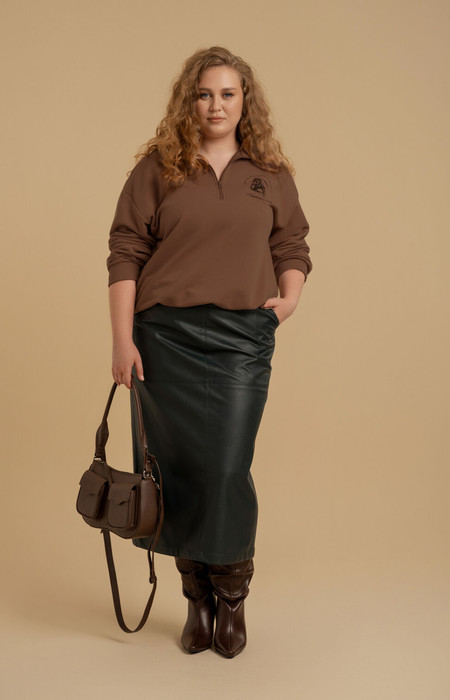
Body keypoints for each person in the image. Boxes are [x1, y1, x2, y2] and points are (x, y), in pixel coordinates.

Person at [106, 45, 312, 658]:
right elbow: (126, 250)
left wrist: (288, 300)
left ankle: (231, 594)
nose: (215, 105)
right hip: (163, 337)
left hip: (241, 338)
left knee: (225, 468)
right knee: (176, 468)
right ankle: (195, 598)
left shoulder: (270, 171)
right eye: (204, 94)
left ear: (246, 101)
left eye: (227, 93)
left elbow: (292, 243)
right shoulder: (157, 167)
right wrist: (121, 338)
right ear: (188, 101)